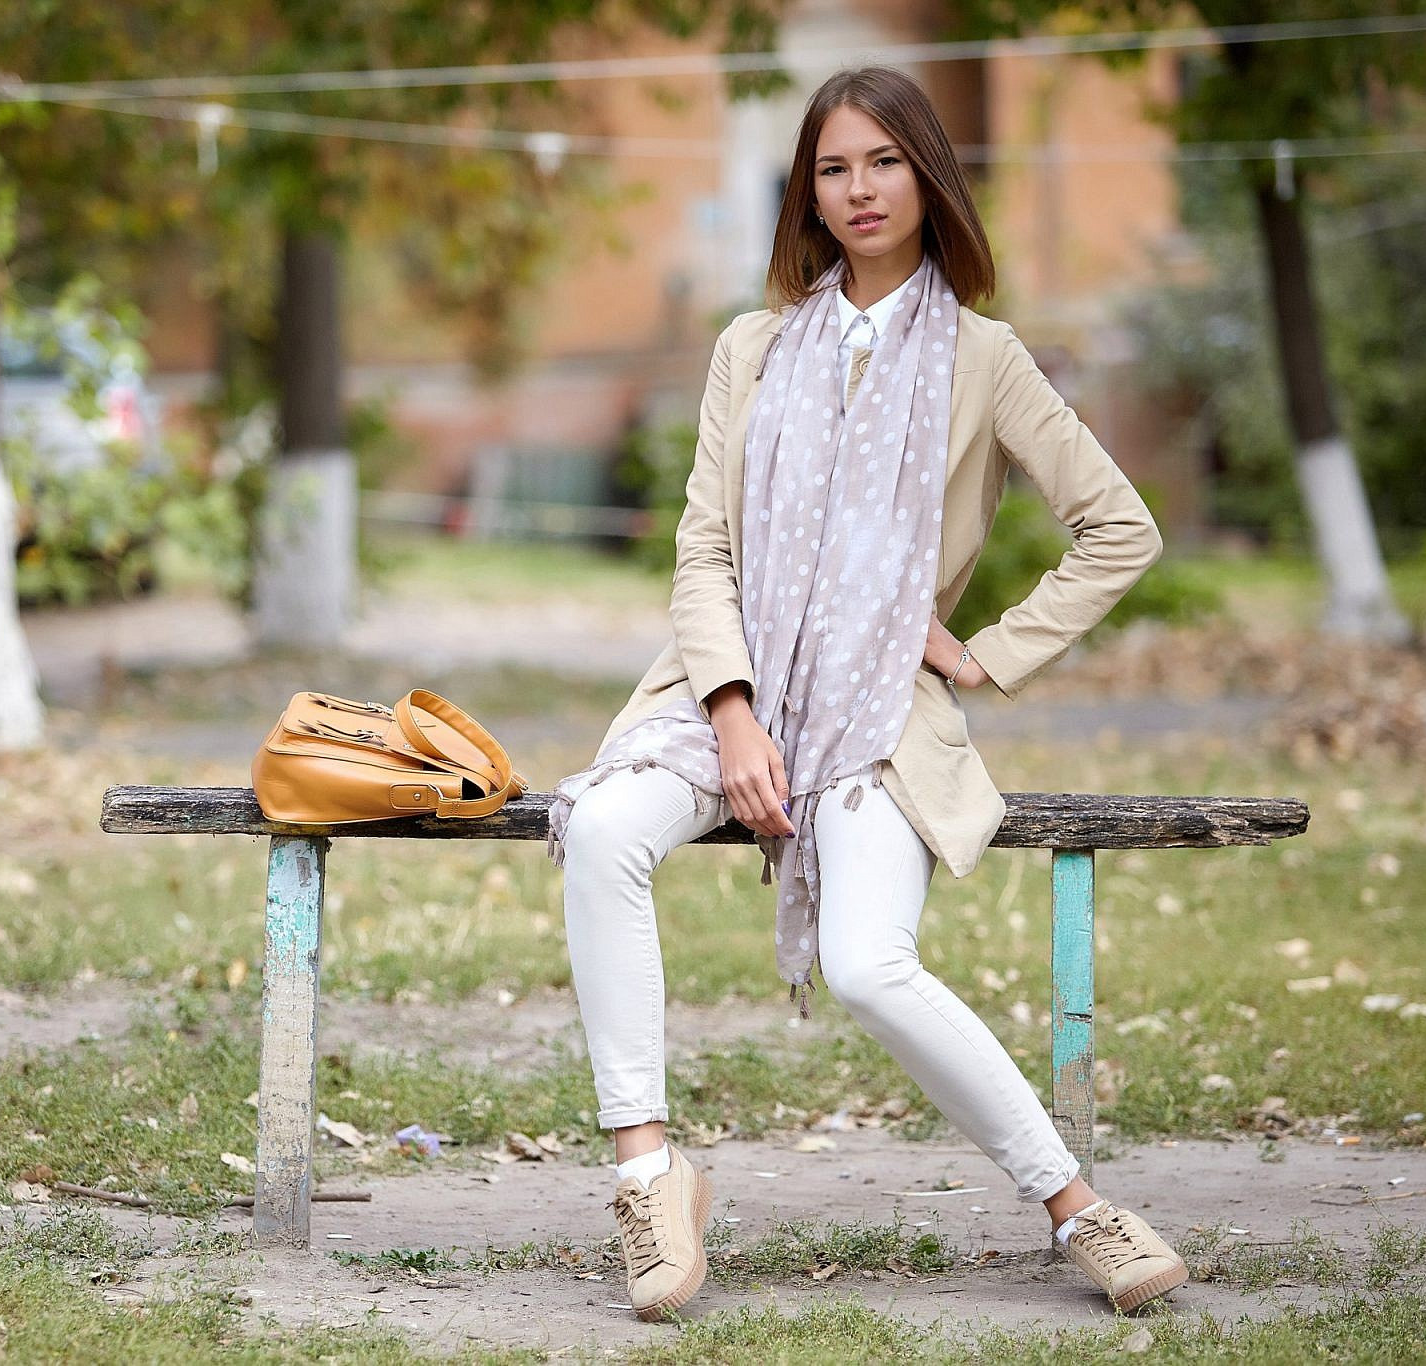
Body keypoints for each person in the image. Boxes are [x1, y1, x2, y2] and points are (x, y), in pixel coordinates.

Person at [544, 64, 1184, 1321]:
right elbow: (702, 548)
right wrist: (731, 708)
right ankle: (648, 1178)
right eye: (832, 168)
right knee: (604, 828)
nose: (858, 189)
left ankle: (1077, 1209)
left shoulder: (983, 359)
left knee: (868, 964)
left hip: (880, 712)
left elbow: (1120, 528)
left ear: (926, 175)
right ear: (807, 192)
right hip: (723, 691)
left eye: (882, 161)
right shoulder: (752, 346)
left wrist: (985, 652)